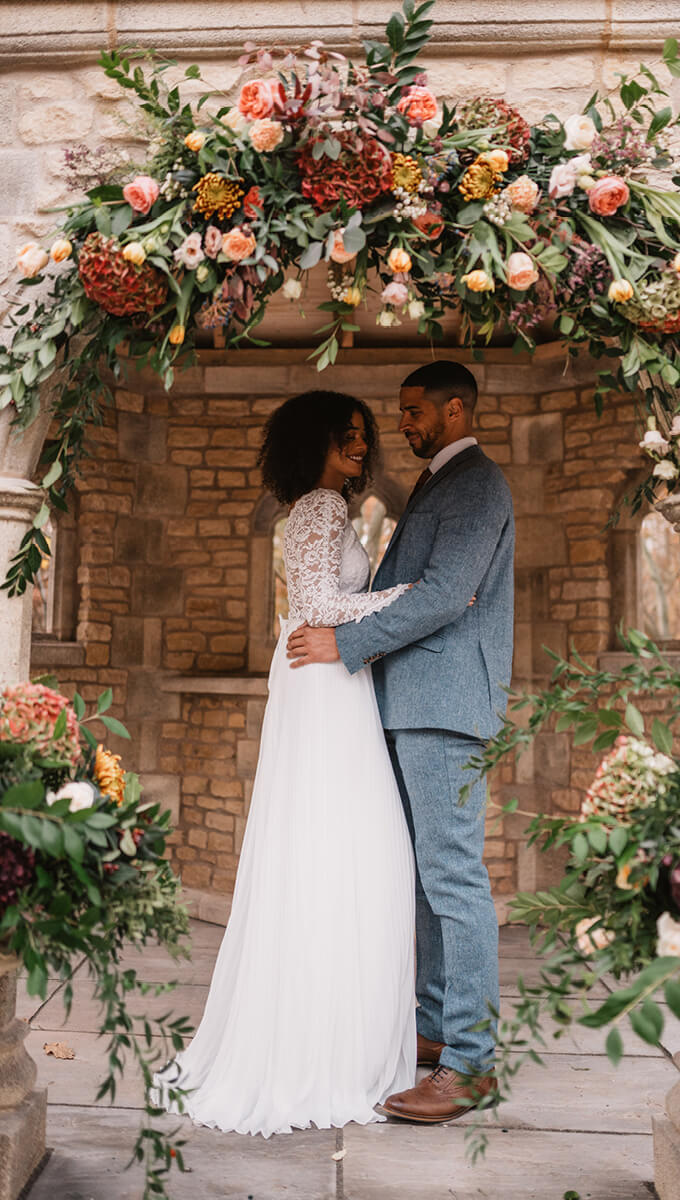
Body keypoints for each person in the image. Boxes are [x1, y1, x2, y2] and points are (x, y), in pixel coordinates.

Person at [154, 390, 417, 1138]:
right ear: (314, 443)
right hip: (325, 680)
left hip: (324, 678)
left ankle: (324, 1031)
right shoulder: (321, 507)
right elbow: (318, 606)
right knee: (346, 842)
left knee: (327, 842)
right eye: (345, 436)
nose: (359, 447)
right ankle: (328, 1045)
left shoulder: (318, 506)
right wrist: (410, 596)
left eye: (362, 436)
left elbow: (313, 607)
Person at [287, 360, 515, 1122]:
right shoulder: (435, 483)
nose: (402, 425)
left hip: (445, 705)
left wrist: (346, 644)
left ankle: (471, 1063)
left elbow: (446, 594)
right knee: (423, 880)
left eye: (414, 411)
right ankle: (435, 1027)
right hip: (409, 701)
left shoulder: (476, 482)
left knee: (453, 878)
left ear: (456, 410)